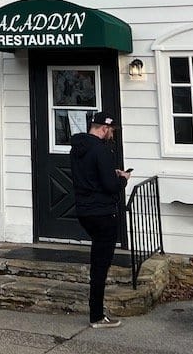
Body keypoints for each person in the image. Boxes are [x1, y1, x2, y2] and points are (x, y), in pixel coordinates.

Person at [70, 111, 131, 328]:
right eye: (111, 130)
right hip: (103, 212)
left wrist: (109, 173)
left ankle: (96, 312)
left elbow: (90, 175)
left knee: (98, 261)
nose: (111, 134)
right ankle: (96, 315)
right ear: (104, 128)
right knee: (100, 266)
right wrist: (123, 179)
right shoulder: (101, 150)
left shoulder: (76, 149)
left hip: (84, 211)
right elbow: (110, 186)